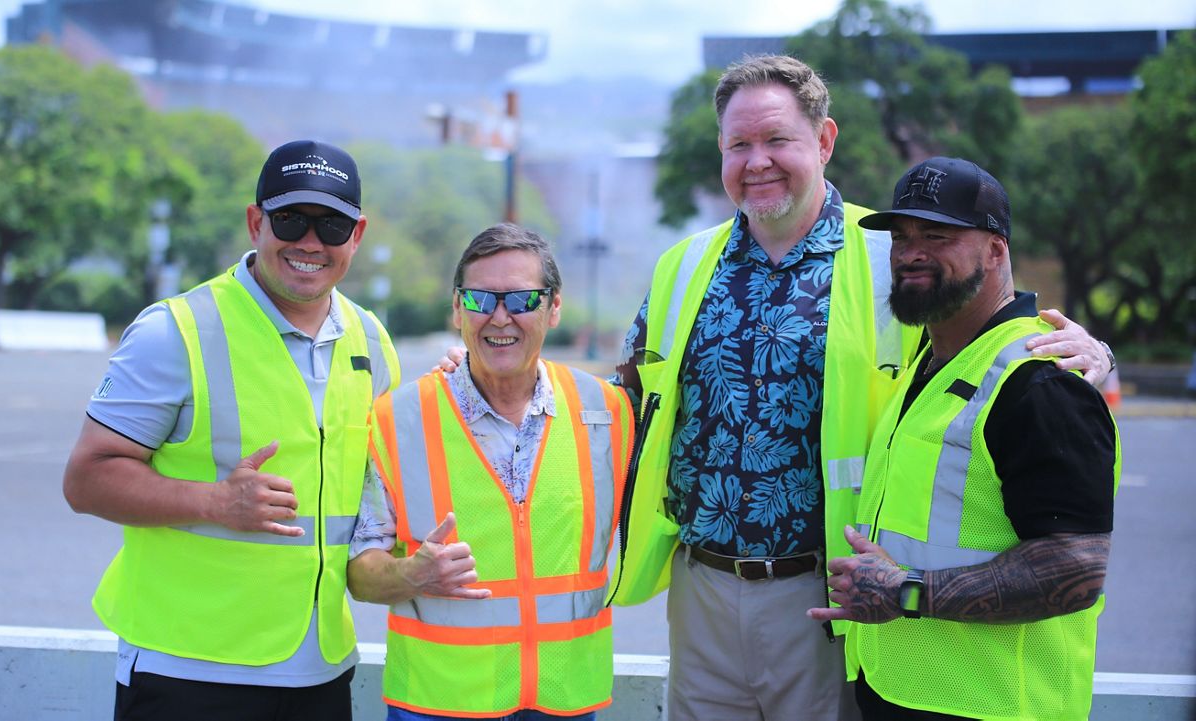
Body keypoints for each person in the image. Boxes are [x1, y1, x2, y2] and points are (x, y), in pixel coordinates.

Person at [608, 55, 1113, 721]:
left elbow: (993, 343)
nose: (757, 161)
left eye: (777, 140)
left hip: (828, 590)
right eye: (739, 145)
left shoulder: (895, 259)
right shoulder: (684, 263)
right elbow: (628, 392)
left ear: (823, 140)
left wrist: (1097, 352)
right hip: (699, 587)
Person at [63, 139, 398, 721]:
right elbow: (85, 479)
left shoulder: (371, 341)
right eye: (290, 219)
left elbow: (380, 494)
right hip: (187, 668)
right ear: (255, 222)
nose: (310, 242)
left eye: (332, 225)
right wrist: (213, 501)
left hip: (319, 670)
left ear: (358, 234)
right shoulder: (176, 330)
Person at [806, 156, 1118, 720]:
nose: (910, 253)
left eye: (937, 235)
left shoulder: (1039, 382)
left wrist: (905, 592)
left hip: (995, 705)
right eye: (901, 237)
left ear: (996, 249)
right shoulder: (933, 356)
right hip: (904, 690)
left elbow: (1075, 570)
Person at [347, 224, 633, 720]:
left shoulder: (608, 413)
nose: (500, 317)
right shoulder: (399, 418)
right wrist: (411, 575)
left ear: (554, 307)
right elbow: (359, 573)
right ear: (458, 309)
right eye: (481, 299)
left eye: (522, 300)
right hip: (438, 704)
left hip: (567, 700)